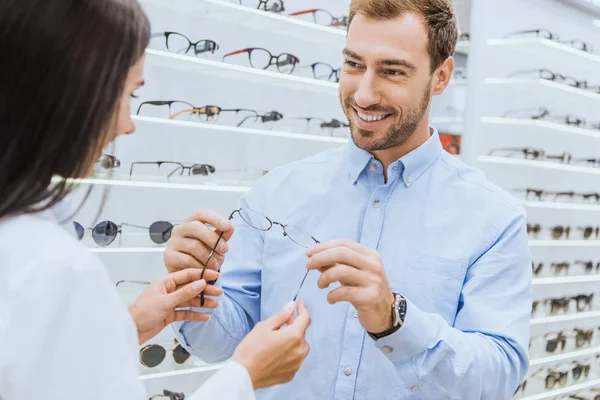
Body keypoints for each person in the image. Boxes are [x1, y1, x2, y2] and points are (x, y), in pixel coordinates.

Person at [165, 0, 532, 399]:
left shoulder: (493, 219)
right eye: (354, 64)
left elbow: (499, 378)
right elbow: (222, 343)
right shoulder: (274, 193)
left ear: (441, 76)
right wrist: (194, 288)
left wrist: (395, 320)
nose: (364, 93)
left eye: (392, 71)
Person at [0, 1, 311, 399]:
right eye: (127, 94)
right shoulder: (57, 269)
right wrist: (245, 376)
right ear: (73, 94)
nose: (127, 124)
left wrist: (124, 330)